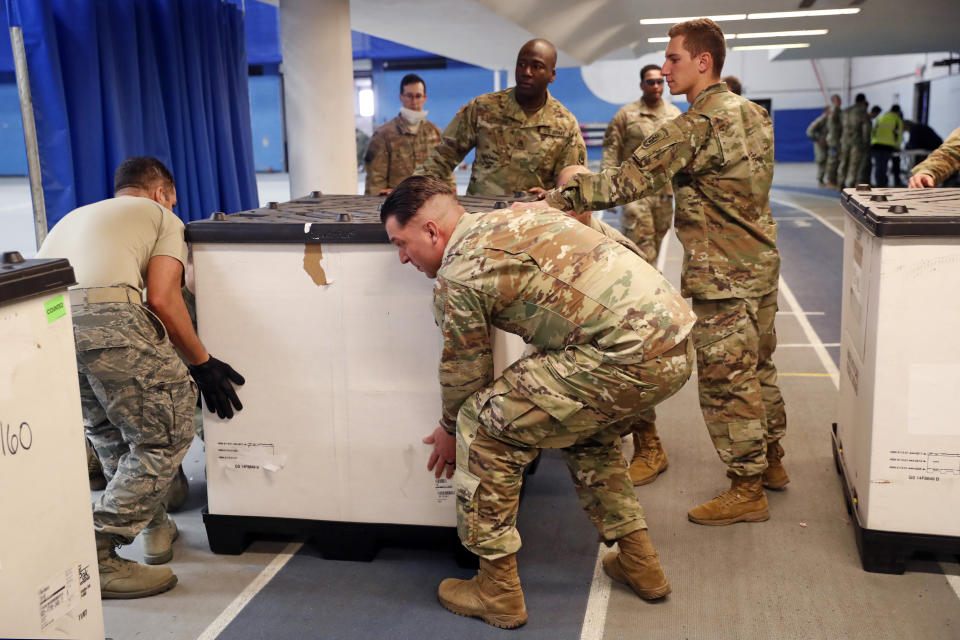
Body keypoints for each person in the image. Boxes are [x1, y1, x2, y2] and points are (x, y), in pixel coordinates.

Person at [382, 175, 695, 628]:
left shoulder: (459, 270)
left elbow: (464, 371)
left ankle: (497, 590)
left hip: (623, 356)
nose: (402, 257)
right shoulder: (525, 213)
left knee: (482, 424)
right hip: (676, 339)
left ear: (431, 232)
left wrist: (451, 431)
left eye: (401, 243)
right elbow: (618, 245)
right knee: (584, 430)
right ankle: (639, 562)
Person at [542, 18, 790, 526]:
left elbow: (628, 182)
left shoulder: (694, 125)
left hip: (721, 273)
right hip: (760, 262)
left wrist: (558, 197)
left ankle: (746, 488)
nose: (667, 68)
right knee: (760, 366)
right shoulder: (756, 115)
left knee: (727, 380)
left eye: (674, 59)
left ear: (704, 62)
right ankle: (773, 463)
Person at [36, 157, 245, 599]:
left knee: (111, 436)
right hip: (110, 318)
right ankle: (98, 550)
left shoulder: (72, 218)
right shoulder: (161, 216)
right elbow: (164, 299)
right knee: (166, 435)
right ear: (160, 193)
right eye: (172, 198)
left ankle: (153, 528)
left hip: (48, 325)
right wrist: (202, 363)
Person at [554, 165, 670, 486]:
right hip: (577, 325)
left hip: (629, 334)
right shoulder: (551, 230)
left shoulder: (614, 245)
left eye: (583, 195)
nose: (577, 204)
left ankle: (650, 445)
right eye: (568, 195)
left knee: (628, 356)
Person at [414, 39, 586, 196]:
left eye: (537, 66)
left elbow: (572, 183)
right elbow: (443, 157)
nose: (526, 72)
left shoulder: (565, 124)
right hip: (482, 217)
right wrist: (408, 191)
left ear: (552, 75)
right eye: (521, 64)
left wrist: (550, 195)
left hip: (534, 221)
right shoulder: (483, 108)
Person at [602, 64, 682, 265]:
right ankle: (652, 289)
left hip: (664, 194)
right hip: (634, 193)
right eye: (650, 82)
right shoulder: (626, 115)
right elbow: (611, 151)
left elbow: (682, 154)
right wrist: (607, 190)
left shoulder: (674, 115)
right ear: (641, 84)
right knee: (642, 249)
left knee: (657, 241)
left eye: (659, 82)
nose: (656, 86)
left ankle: (651, 281)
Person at [364, 74, 452, 195]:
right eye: (409, 96)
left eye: (418, 96)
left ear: (424, 98)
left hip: (429, 204)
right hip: (396, 205)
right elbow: (375, 181)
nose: (414, 101)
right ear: (401, 97)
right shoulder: (383, 135)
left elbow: (446, 175)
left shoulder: (436, 133)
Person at [838, 94, 871, 188]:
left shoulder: (846, 111)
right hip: (856, 142)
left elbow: (840, 126)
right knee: (854, 163)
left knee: (843, 162)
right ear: (863, 101)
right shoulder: (862, 111)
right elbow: (866, 128)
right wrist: (866, 142)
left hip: (844, 141)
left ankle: (841, 182)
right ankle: (851, 183)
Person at [871, 105, 904, 187]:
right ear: (898, 111)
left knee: (878, 166)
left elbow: (873, 131)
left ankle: (879, 184)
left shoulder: (881, 117)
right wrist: (897, 147)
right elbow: (899, 135)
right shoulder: (897, 119)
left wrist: (872, 143)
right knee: (884, 167)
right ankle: (882, 186)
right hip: (887, 146)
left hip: (876, 145)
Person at [806, 107, 830, 186]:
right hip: (820, 144)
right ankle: (820, 179)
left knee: (827, 160)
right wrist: (818, 139)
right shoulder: (821, 120)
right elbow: (809, 131)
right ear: (826, 112)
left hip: (827, 143)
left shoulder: (829, 120)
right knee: (822, 159)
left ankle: (825, 180)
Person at [824, 94, 843, 187]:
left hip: (837, 139)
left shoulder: (838, 110)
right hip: (834, 140)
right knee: (833, 161)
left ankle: (834, 181)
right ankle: (831, 181)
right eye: (837, 100)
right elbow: (832, 125)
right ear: (833, 101)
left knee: (836, 161)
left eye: (839, 99)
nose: (839, 101)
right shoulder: (834, 110)